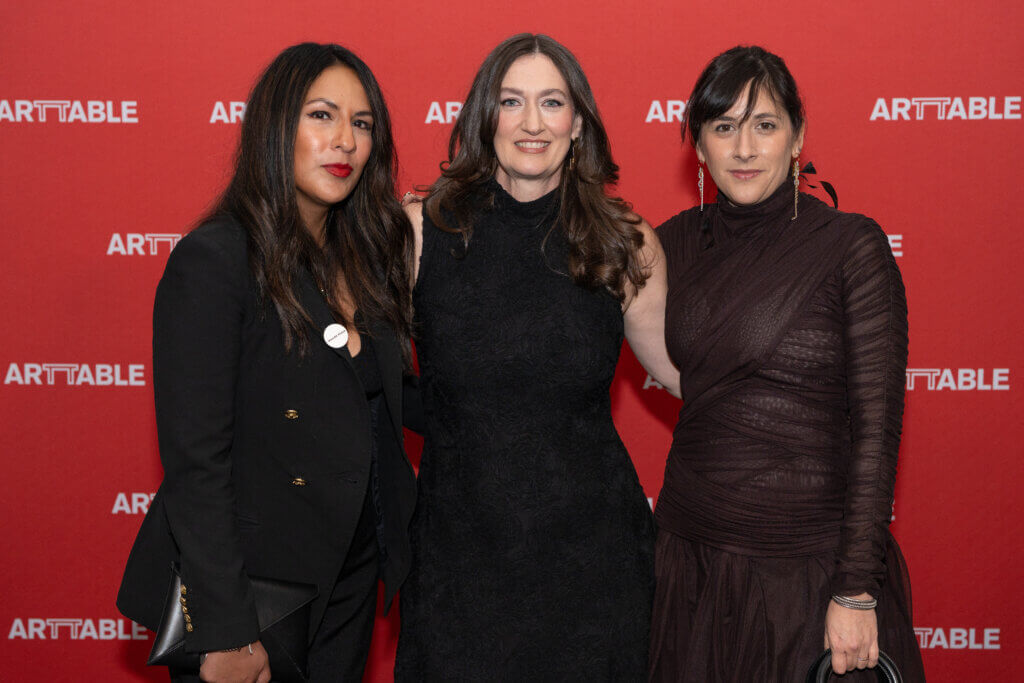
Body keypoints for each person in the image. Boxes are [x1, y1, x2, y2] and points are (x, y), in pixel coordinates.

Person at [116, 42, 418, 683]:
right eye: (322, 115)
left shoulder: (364, 262)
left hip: (350, 578)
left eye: (362, 124)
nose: (345, 141)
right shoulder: (217, 259)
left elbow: (387, 402)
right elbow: (196, 463)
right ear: (274, 126)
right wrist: (225, 628)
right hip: (255, 593)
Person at [395, 33, 680, 681]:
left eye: (552, 102)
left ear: (577, 122)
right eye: (511, 101)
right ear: (481, 118)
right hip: (458, 562)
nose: (531, 123)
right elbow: (353, 371)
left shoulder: (624, 241)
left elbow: (680, 370)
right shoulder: (418, 231)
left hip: (593, 564)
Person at [648, 46, 925, 681]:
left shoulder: (850, 247)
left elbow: (877, 433)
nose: (743, 148)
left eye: (764, 125)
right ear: (698, 145)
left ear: (797, 136)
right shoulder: (669, 246)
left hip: (805, 578)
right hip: (690, 568)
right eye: (723, 127)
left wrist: (856, 590)